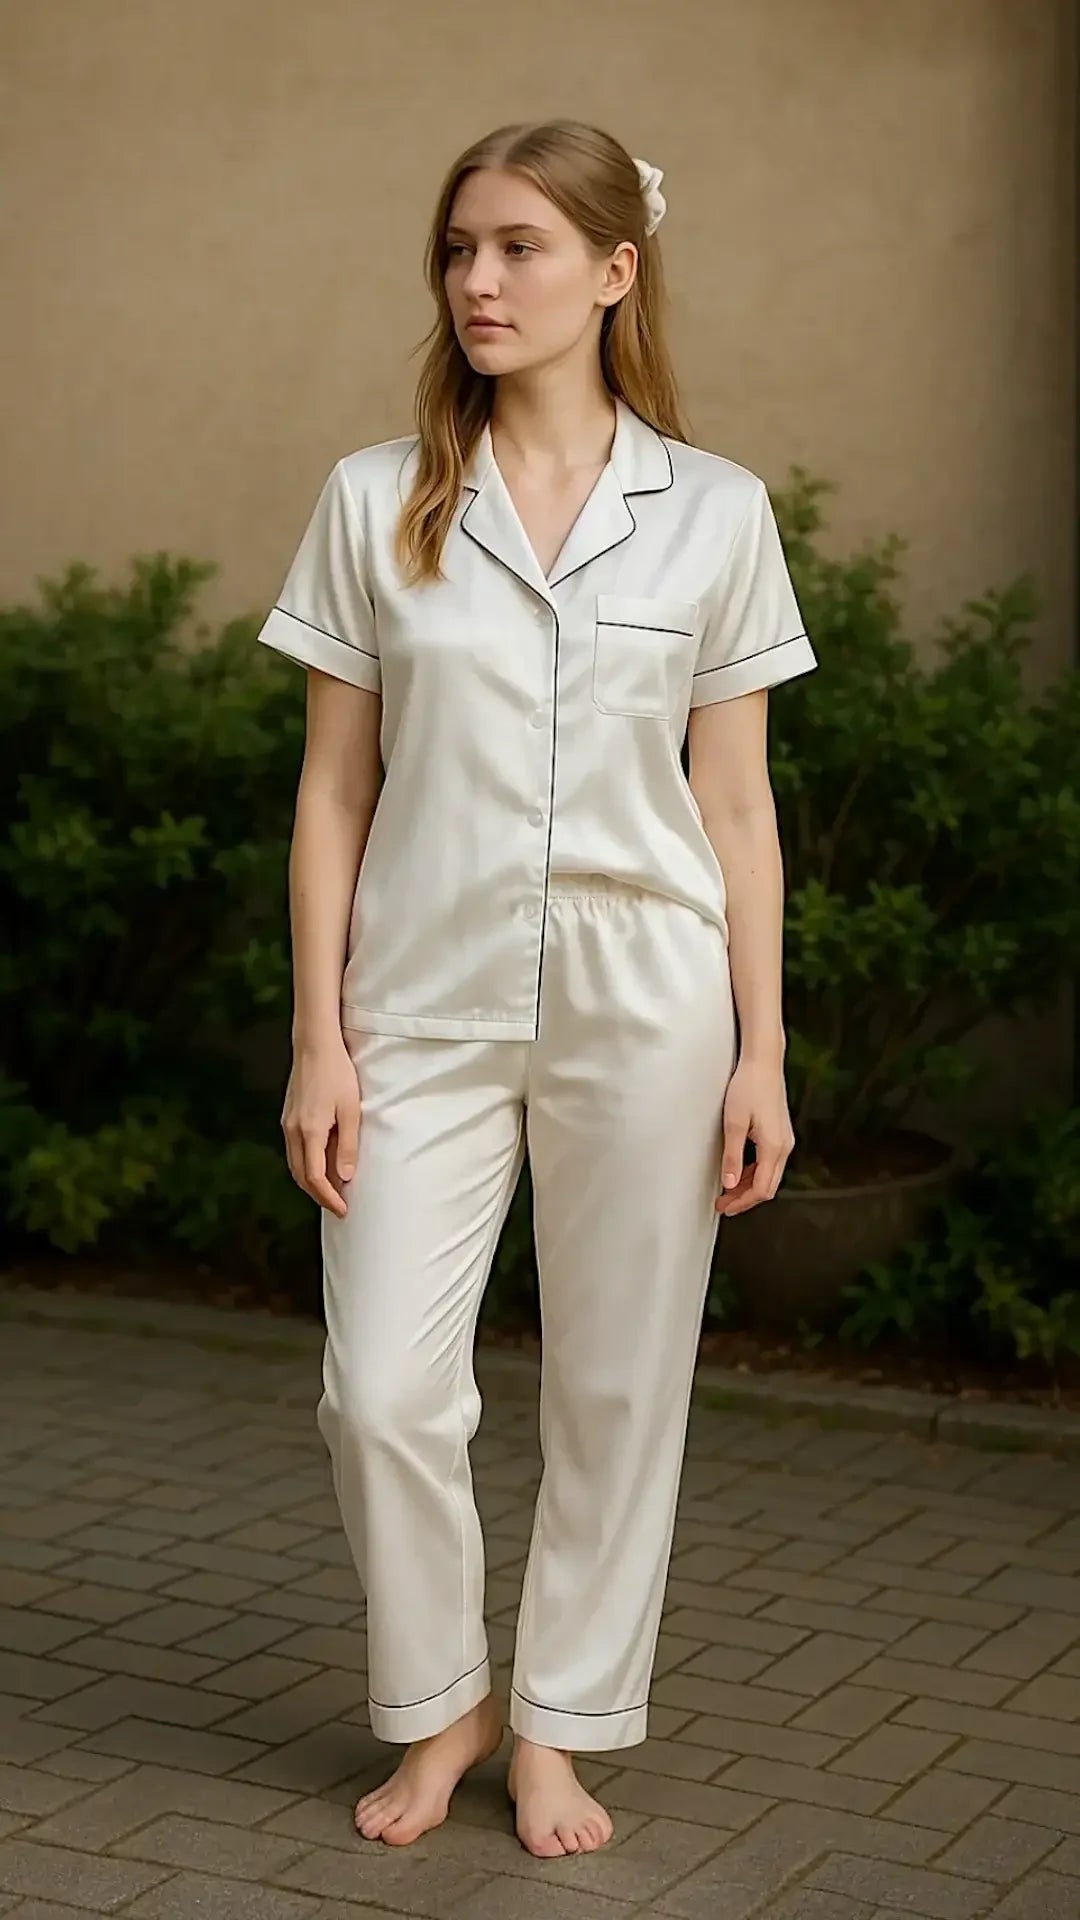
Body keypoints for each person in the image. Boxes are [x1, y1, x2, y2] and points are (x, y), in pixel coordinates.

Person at [257, 117, 818, 1861]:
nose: (480, 282)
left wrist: (765, 1056)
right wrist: (317, 1039)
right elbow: (335, 789)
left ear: (613, 270)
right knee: (383, 1391)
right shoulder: (378, 496)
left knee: (617, 1385)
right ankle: (443, 1703)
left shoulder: (714, 511)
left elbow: (737, 806)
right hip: (419, 1001)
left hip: (654, 1002)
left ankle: (562, 1729)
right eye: (458, 251)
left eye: (517, 247)